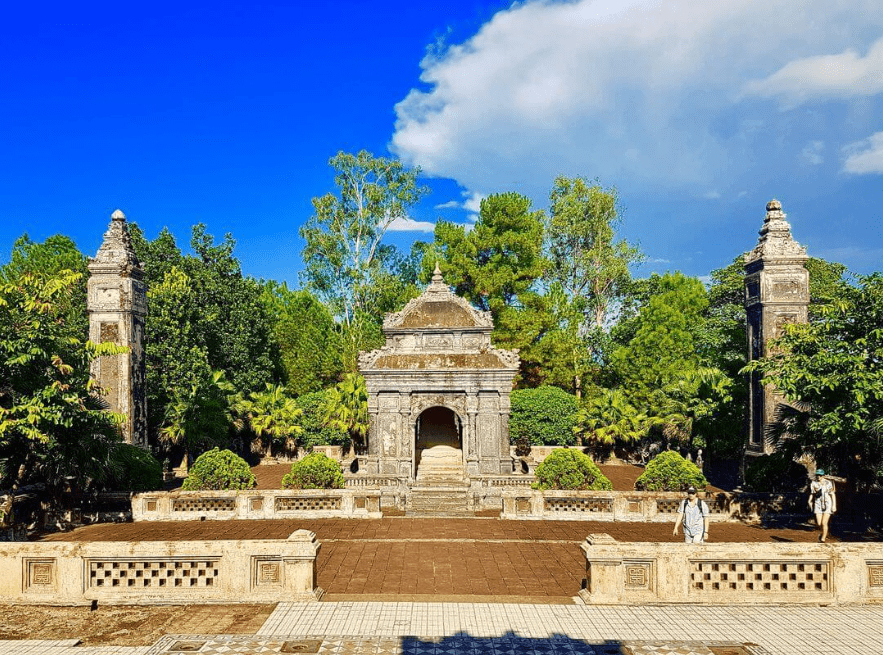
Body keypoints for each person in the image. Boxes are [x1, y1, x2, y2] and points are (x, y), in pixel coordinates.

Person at [809, 468, 836, 542]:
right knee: (819, 523)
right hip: (818, 503)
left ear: (823, 476)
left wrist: (834, 505)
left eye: (820, 475)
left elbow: (832, 494)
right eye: (817, 475)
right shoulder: (814, 483)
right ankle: (822, 533)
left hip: (827, 503)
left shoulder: (828, 483)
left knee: (824, 523)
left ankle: (823, 538)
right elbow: (812, 493)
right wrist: (809, 501)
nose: (819, 477)